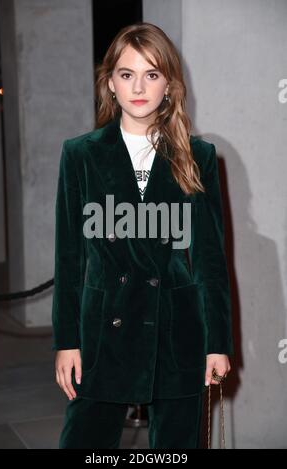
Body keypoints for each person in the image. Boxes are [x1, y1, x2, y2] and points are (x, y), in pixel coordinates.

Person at [51, 22, 234, 449]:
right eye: (127, 74)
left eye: (151, 74)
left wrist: (217, 344)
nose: (139, 86)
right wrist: (66, 341)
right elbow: (69, 258)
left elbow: (210, 261)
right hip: (102, 328)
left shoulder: (197, 156)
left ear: (168, 85)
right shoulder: (80, 155)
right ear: (110, 83)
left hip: (176, 328)